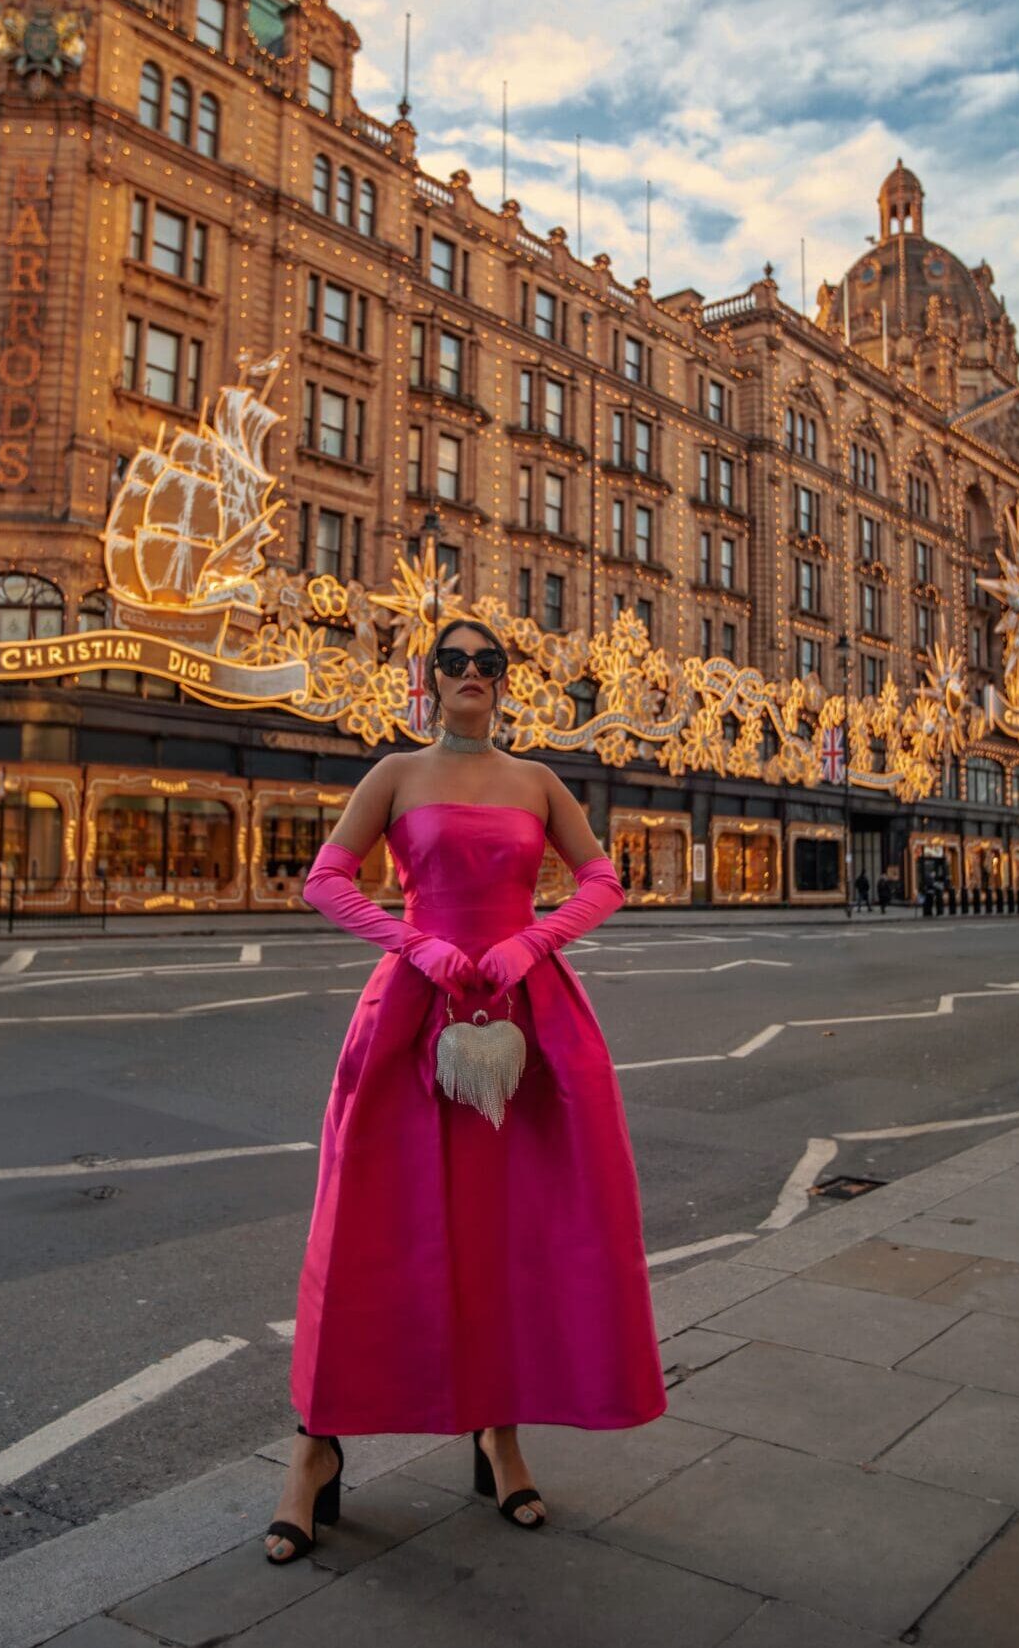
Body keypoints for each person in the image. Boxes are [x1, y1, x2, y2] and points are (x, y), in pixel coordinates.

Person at [264, 618, 665, 1564]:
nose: (472, 674)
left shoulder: (539, 780)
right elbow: (326, 882)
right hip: (413, 1016)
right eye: (455, 662)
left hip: (528, 1021)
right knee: (367, 1232)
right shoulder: (394, 774)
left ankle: (500, 1433)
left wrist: (534, 939)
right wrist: (414, 940)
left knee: (514, 1232)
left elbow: (603, 880)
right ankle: (314, 1451)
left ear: (505, 681)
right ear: (429, 678)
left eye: (489, 663)